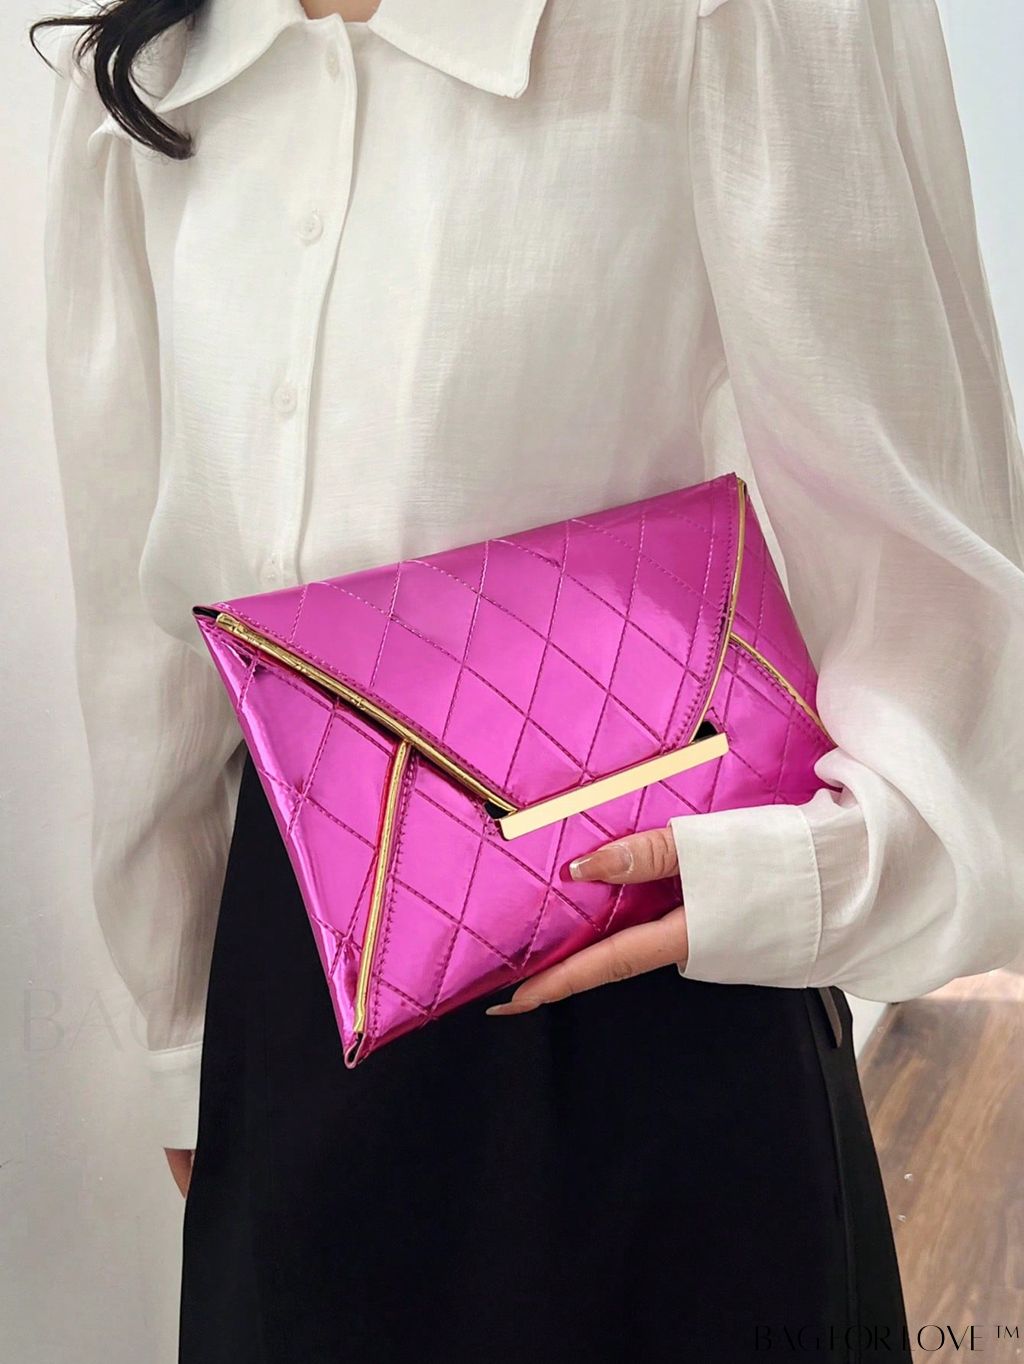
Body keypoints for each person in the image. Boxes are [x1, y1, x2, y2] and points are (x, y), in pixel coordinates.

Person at [35, 0, 1024, 1359]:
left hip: (646, 977)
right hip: (294, 987)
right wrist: (180, 1040)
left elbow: (940, 598)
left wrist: (809, 876)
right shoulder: (149, 70)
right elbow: (143, 634)